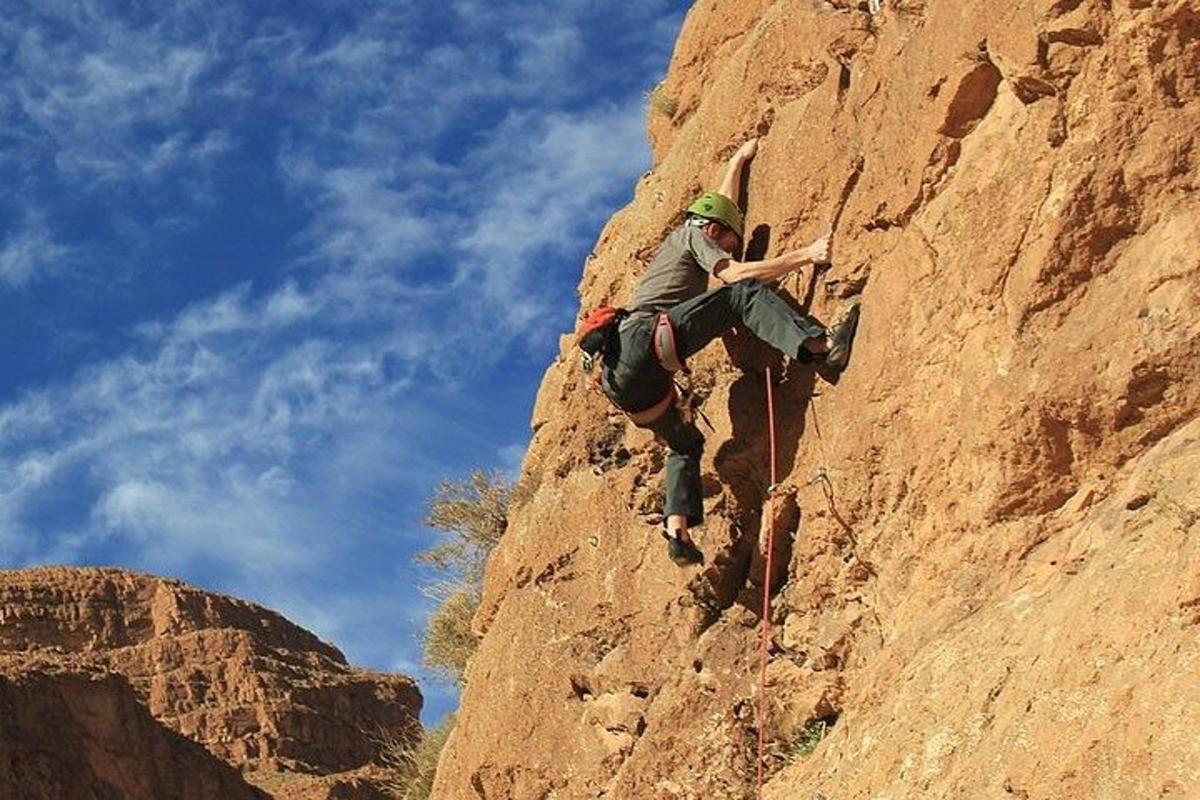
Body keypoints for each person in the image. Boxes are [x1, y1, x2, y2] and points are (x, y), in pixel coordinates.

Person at [585, 138, 860, 566]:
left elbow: (721, 204)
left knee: (684, 444)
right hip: (646, 340)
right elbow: (733, 275)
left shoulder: (698, 231)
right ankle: (821, 346)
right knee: (740, 293)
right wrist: (805, 255)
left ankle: (675, 526)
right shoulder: (692, 234)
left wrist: (737, 159)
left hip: (621, 382)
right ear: (713, 231)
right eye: (729, 241)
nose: (730, 248)